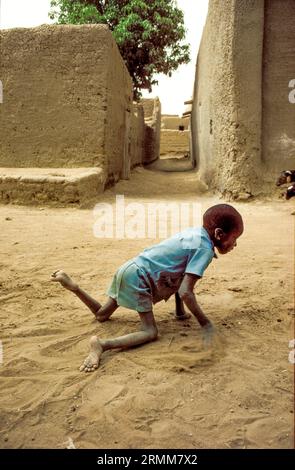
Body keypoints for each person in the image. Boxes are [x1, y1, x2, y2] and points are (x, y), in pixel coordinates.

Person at [51, 204, 244, 372]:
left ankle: (74, 287)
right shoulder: (204, 249)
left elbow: (180, 275)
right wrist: (206, 324)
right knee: (150, 332)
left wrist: (179, 313)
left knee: (102, 315)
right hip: (140, 279)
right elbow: (186, 291)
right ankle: (102, 344)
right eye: (234, 239)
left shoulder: (194, 234)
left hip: (129, 268)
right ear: (219, 234)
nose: (235, 244)